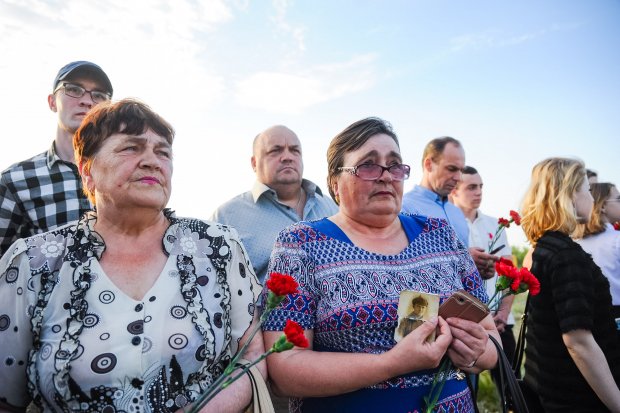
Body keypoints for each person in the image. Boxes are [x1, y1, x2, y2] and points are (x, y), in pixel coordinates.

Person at [0, 99, 264, 413]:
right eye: (131, 148)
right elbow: (6, 399)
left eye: (163, 152)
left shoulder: (219, 247)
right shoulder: (32, 263)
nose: (152, 161)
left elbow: (251, 358)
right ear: (87, 170)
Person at [262, 117, 499, 412]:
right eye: (368, 165)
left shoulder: (440, 235)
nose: (386, 176)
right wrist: (391, 363)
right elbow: (284, 368)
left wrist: (476, 351)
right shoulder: (301, 244)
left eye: (395, 165)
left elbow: (491, 338)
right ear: (335, 182)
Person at [520, 158, 620, 412]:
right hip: (574, 397)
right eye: (587, 189)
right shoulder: (566, 256)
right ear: (571, 194)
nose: (592, 197)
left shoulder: (544, 248)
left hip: (548, 389)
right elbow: (578, 342)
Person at [0, 61, 114, 256]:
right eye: (74, 89)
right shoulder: (16, 180)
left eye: (98, 95)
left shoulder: (126, 173)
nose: (87, 101)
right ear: (52, 102)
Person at [211, 125, 337, 283]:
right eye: (275, 151)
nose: (287, 157)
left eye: (295, 150)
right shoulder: (226, 217)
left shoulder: (333, 208)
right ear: (254, 163)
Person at [450, 166, 516, 383]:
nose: (478, 192)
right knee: (468, 386)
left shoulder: (495, 224)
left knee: (511, 383)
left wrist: (503, 313)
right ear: (454, 191)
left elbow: (510, 272)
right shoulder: (446, 226)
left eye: (480, 186)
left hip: (500, 318)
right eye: (471, 187)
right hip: (465, 320)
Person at [401, 138, 497, 280]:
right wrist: (464, 259)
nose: (458, 177)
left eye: (461, 170)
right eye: (451, 169)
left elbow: (461, 272)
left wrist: (478, 271)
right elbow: (403, 267)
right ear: (429, 164)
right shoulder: (405, 208)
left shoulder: (456, 213)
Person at [574, 182, 620, 336]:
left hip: (585, 320)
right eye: (619, 199)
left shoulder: (574, 242)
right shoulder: (616, 240)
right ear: (603, 206)